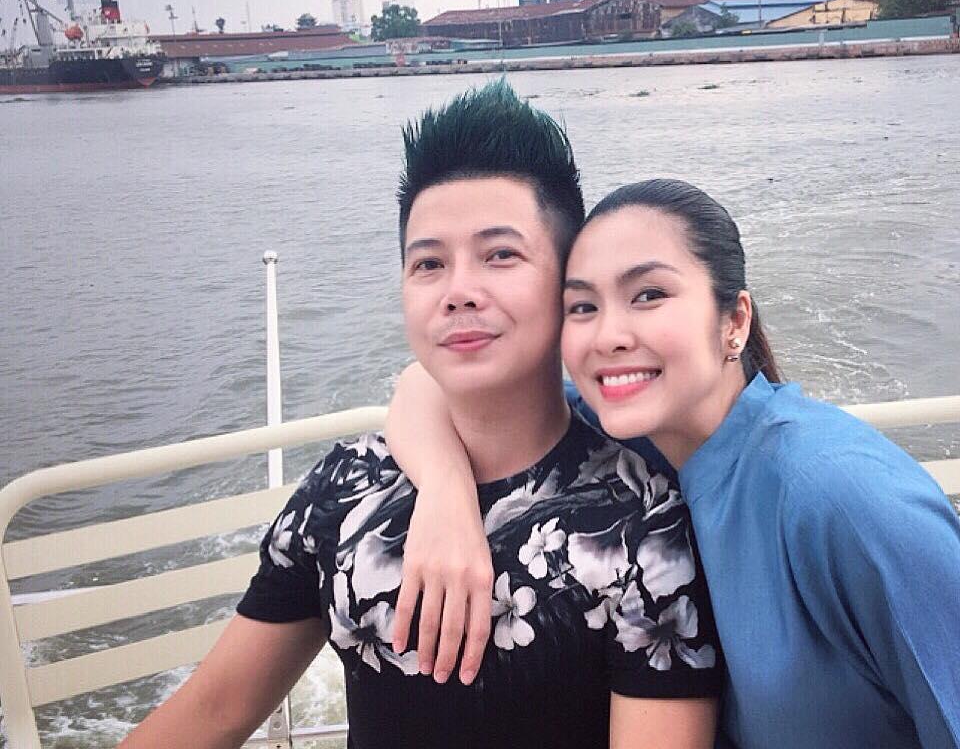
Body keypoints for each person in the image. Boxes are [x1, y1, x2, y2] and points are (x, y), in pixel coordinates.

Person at [119, 83, 721, 749]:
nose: (459, 292)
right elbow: (215, 711)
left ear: (567, 284)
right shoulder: (346, 486)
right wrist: (443, 487)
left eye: (500, 254)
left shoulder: (641, 521)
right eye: (429, 263)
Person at [387, 178, 960, 749]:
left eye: (649, 295)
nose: (609, 336)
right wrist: (445, 492)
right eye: (583, 306)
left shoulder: (843, 499)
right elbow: (420, 386)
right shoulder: (627, 429)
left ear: (734, 322)